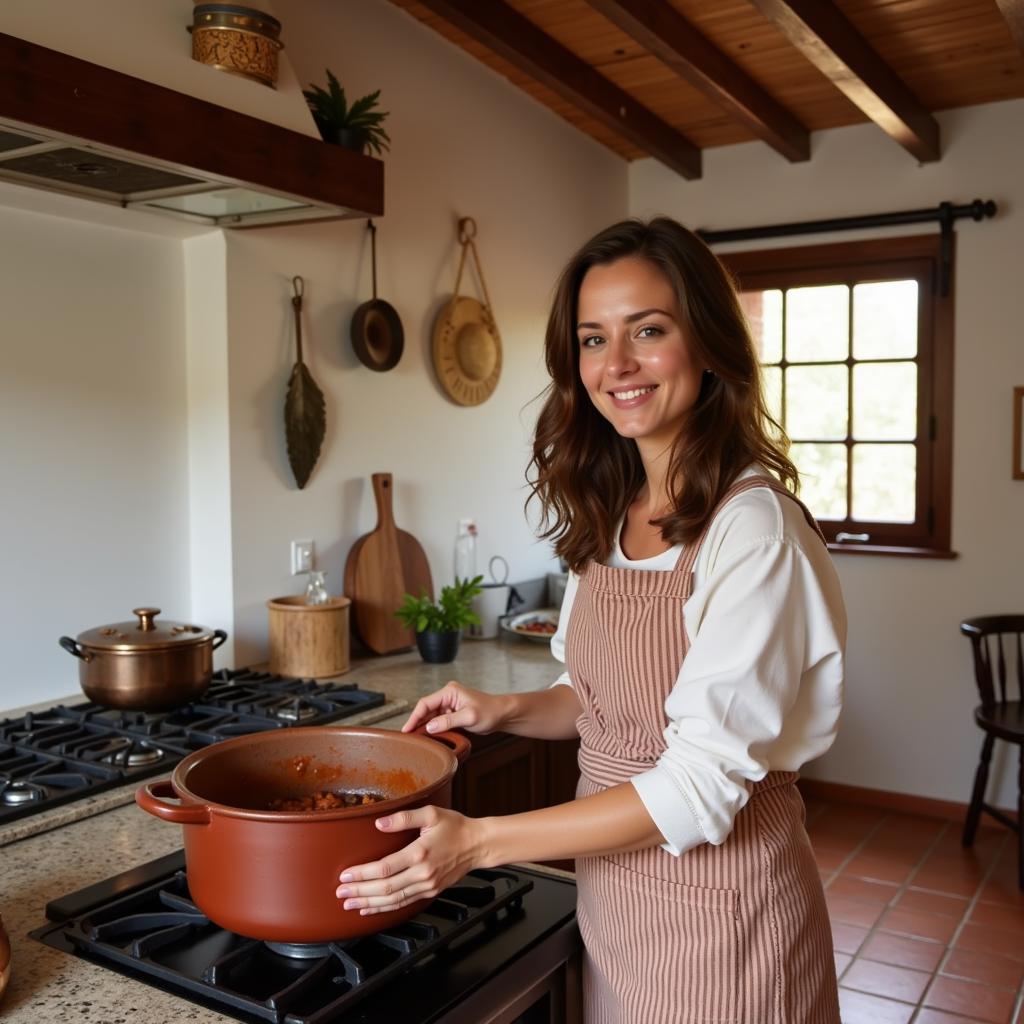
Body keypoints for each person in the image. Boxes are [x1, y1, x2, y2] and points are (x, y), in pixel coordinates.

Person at [336, 217, 846, 1023]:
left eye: (648, 330)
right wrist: (504, 709)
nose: (618, 366)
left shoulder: (754, 531)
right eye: (593, 338)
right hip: (616, 902)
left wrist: (476, 840)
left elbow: (698, 786)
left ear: (708, 343)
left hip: (725, 916)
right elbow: (601, 697)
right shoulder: (615, 515)